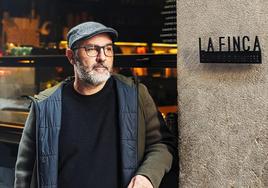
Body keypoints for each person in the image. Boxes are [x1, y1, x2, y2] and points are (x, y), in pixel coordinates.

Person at [14, 21, 175, 188]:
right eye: (92, 49)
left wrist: (147, 176)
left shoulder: (135, 95)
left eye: (108, 49)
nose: (102, 57)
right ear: (71, 56)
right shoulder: (45, 105)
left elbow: (162, 144)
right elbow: (24, 173)